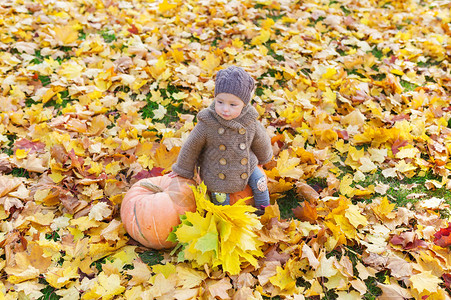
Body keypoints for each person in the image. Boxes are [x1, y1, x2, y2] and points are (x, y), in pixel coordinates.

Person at [169, 66, 273, 215]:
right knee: (220, 199)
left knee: (260, 182)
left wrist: (264, 158)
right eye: (220, 102)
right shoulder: (208, 123)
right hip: (217, 172)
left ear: (244, 104)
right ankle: (224, 219)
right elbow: (191, 146)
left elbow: (261, 139)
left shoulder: (249, 121)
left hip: (246, 165)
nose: (225, 109)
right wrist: (183, 169)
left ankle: (263, 212)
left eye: (233, 105)